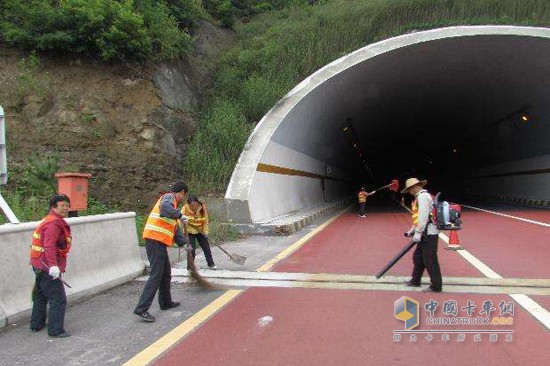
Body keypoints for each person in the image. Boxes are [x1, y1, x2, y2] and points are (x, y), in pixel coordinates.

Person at [134, 181, 190, 322]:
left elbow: (174, 228)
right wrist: (179, 214)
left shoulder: (173, 206)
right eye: (184, 195)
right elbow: (165, 209)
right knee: (156, 275)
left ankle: (165, 302)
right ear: (182, 192)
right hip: (154, 240)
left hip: (159, 242)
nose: (183, 198)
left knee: (165, 273)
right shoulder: (169, 198)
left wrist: (184, 243)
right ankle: (141, 309)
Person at [29, 194, 72, 338]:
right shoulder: (54, 223)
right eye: (62, 206)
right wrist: (53, 266)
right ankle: (55, 330)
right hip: (47, 266)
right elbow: (49, 245)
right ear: (53, 207)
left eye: (67, 205)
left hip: (38, 263)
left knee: (41, 295)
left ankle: (36, 324)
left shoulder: (50, 220)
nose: (65, 208)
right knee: (58, 298)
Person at [401, 178, 443, 292]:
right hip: (425, 232)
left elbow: (424, 217)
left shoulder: (423, 197)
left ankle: (436, 286)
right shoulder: (419, 197)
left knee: (430, 260)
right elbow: (418, 217)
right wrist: (412, 230)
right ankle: (415, 280)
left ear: (414, 188)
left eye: (409, 190)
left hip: (429, 234)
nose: (409, 192)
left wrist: (418, 233)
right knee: (418, 257)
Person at [182, 195, 216, 270]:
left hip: (200, 231)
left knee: (206, 247)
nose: (194, 207)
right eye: (192, 205)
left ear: (198, 203)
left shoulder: (202, 208)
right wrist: (183, 224)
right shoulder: (184, 209)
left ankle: (211, 264)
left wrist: (205, 232)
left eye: (196, 205)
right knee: (191, 249)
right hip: (190, 231)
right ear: (188, 204)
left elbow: (206, 221)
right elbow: (179, 220)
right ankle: (190, 267)